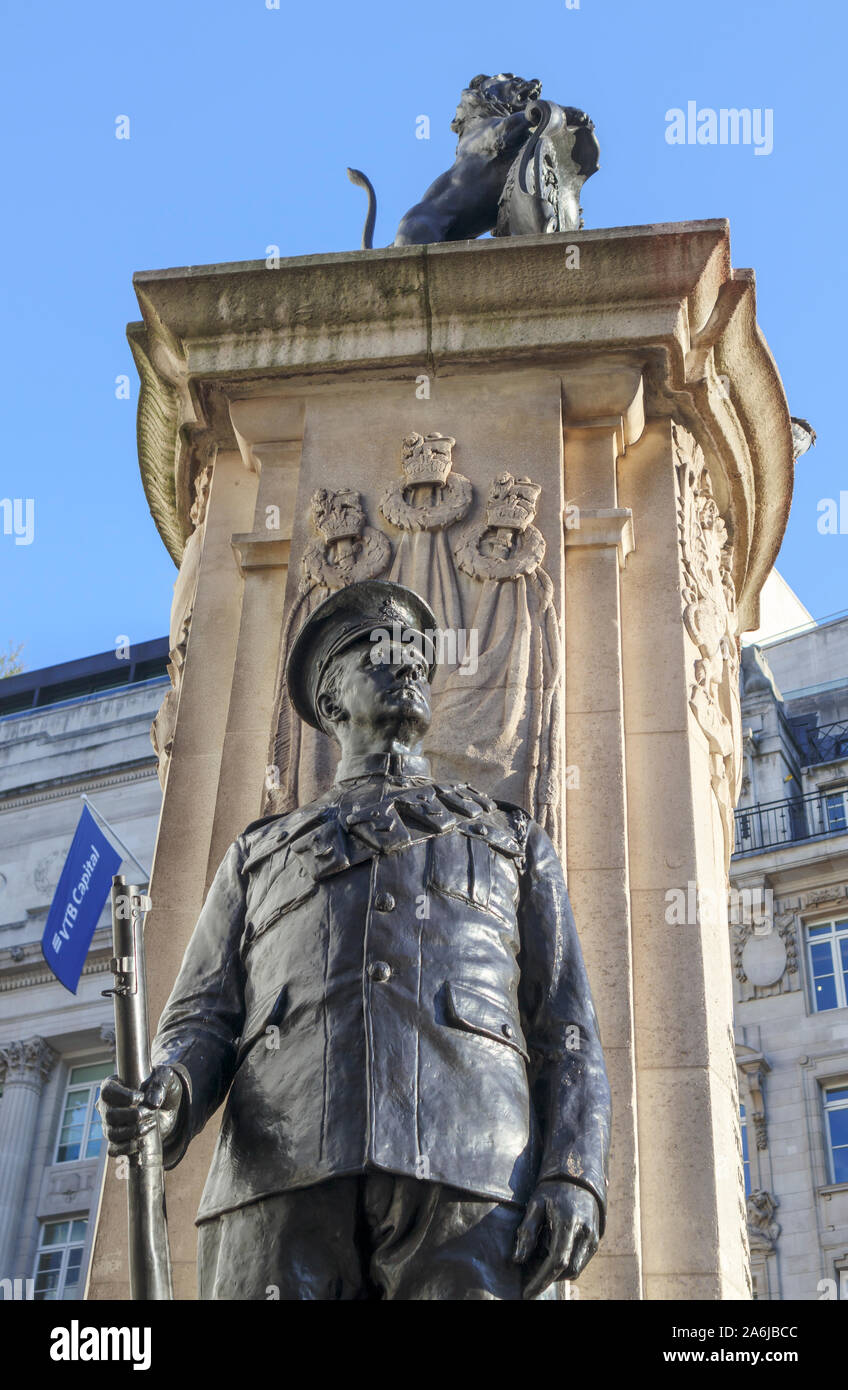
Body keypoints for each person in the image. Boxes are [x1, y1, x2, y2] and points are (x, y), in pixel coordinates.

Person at [100, 580, 611, 1300]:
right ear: (332, 701)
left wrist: (574, 1171)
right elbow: (202, 1018)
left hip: (473, 1173)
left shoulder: (511, 839)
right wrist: (171, 1090)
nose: (405, 664)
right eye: (378, 653)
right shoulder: (259, 853)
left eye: (414, 656)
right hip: (280, 1178)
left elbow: (567, 1027)